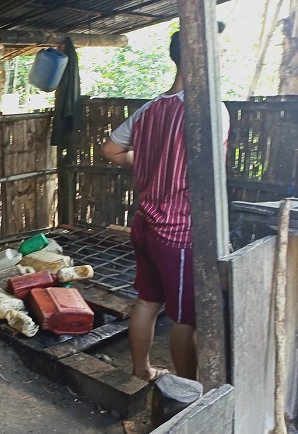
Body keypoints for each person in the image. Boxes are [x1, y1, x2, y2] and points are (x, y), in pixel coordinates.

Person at [100, 27, 229, 382]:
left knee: (147, 303)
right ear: (198, 58)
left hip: (145, 223)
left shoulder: (148, 110)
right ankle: (188, 390)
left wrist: (141, 161)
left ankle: (141, 370)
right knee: (186, 319)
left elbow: (110, 150)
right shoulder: (209, 111)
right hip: (179, 233)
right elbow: (210, 173)